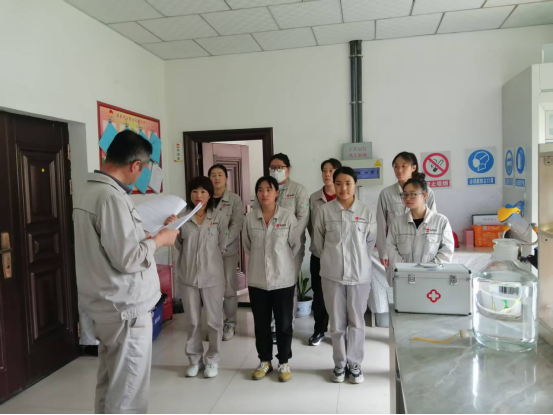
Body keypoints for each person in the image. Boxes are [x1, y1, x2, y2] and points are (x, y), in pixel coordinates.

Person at [73, 130, 179, 414]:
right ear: (135, 165)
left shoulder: (88, 190)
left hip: (105, 304)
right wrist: (160, 240)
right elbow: (129, 259)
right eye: (143, 169)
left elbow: (112, 244)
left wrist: (142, 236)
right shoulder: (111, 197)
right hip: (125, 309)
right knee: (128, 394)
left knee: (111, 384)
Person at [314, 167, 377, 385]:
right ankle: (340, 363)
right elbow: (318, 244)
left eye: (348, 183)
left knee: (357, 321)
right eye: (338, 183)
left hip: (360, 275)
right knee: (337, 322)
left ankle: (355, 363)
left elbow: (370, 243)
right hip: (332, 275)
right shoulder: (324, 211)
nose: (343, 188)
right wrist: (334, 259)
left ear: (355, 184)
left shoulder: (366, 212)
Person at [171, 176, 229, 379]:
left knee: (214, 321)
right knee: (192, 321)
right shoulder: (181, 217)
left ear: (210, 195)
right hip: (188, 276)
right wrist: (171, 227)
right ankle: (195, 360)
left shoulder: (219, 217)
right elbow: (178, 244)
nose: (198, 195)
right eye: (195, 191)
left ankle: (212, 359)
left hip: (213, 277)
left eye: (203, 191)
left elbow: (223, 244)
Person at [244, 176, 300, 383]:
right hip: (258, 280)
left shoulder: (288, 217)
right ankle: (264, 361)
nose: (264, 193)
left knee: (284, 324)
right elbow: (247, 246)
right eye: (260, 190)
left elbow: (295, 246)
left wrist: (280, 262)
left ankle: (284, 362)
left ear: (277, 192)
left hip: (283, 280)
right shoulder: (250, 219)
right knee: (261, 324)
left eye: (269, 189)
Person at [267, 154, 310, 342]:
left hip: (291, 247)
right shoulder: (266, 188)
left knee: (287, 286)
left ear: (288, 169)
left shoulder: (298, 190)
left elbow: (303, 218)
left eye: (279, 167)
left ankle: (285, 324)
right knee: (271, 284)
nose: (275, 170)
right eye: (272, 167)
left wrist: (288, 240)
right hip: (269, 247)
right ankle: (272, 324)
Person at [377, 152, 437, 273]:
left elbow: (433, 223)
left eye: (404, 166)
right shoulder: (386, 194)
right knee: (397, 282)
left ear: (413, 168)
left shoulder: (426, 192)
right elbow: (381, 224)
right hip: (394, 249)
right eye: (396, 166)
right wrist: (383, 252)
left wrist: (432, 250)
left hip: (422, 249)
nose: (399, 170)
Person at [307, 158, 342, 347]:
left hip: (340, 256)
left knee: (339, 295)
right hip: (319, 254)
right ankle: (319, 330)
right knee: (319, 294)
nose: (327, 174)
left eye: (331, 170)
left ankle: (338, 331)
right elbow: (311, 226)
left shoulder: (344, 196)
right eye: (324, 170)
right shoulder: (314, 198)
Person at [209, 164, 244, 342]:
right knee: (210, 289)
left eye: (220, 175)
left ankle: (230, 323)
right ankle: (214, 324)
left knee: (229, 288)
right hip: (207, 252)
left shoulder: (235, 200)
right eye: (213, 175)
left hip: (227, 251)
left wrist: (221, 242)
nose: (217, 178)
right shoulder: (204, 198)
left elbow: (236, 225)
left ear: (226, 178)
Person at [387, 175, 454, 267]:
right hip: (404, 273)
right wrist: (406, 269)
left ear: (424, 195)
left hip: (431, 273)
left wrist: (426, 270)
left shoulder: (441, 222)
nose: (408, 198)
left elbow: (446, 251)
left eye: (412, 194)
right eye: (405, 194)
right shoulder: (397, 222)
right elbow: (391, 247)